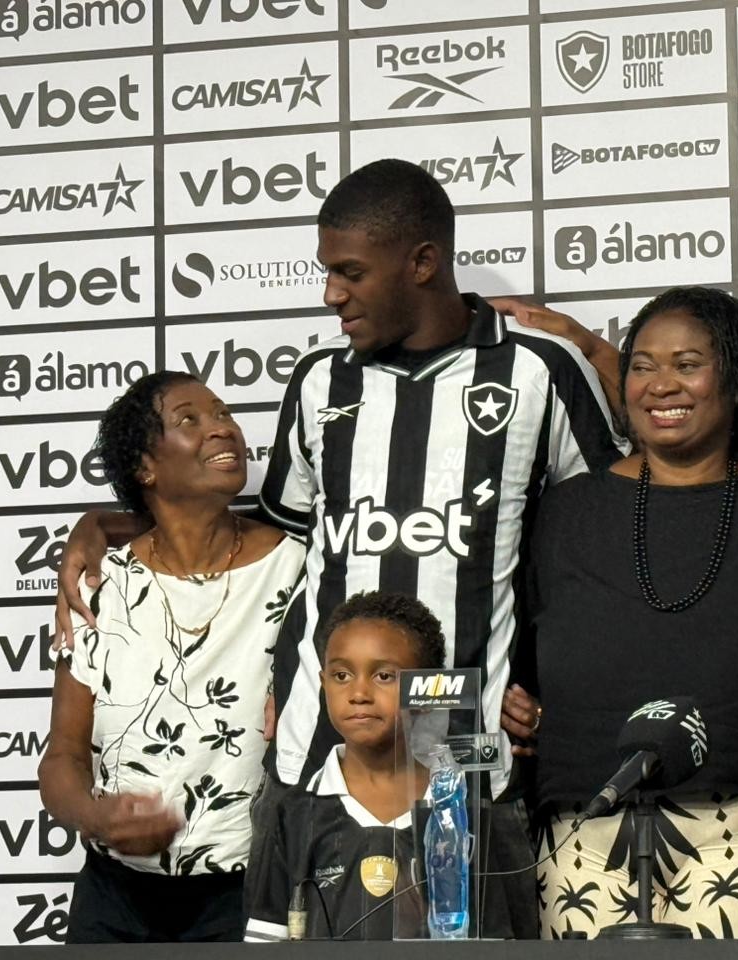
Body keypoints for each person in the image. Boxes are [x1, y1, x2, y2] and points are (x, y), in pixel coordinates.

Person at [56, 159, 625, 939]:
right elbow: (269, 532)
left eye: (350, 272)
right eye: (328, 271)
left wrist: (542, 680)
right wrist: (111, 523)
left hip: (461, 741)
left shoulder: (537, 371)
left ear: (422, 262)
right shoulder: (321, 381)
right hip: (312, 751)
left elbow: (599, 546)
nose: (331, 293)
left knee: (463, 937)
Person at [503, 287, 738, 939]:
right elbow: (522, 655)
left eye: (687, 365)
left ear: (735, 380)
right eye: (643, 366)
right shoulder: (564, 512)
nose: (660, 385)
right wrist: (521, 706)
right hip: (581, 833)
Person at [38, 372, 305, 943]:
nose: (222, 428)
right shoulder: (99, 585)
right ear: (145, 467)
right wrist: (97, 817)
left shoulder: (297, 569)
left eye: (223, 413)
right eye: (190, 419)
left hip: (250, 891)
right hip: (114, 897)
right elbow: (62, 754)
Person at [246, 590, 510, 941]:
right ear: (323, 684)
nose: (359, 694)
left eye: (384, 676)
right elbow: (265, 940)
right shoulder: (294, 814)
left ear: (426, 690)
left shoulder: (460, 812)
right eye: (342, 675)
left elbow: (495, 942)